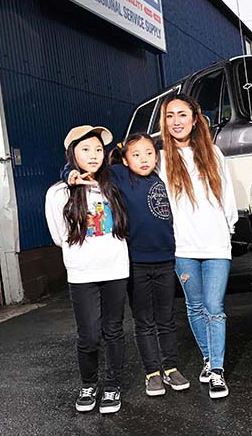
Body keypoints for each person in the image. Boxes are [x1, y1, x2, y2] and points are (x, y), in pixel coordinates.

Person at [66, 132, 191, 397]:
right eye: (136, 154)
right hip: (135, 263)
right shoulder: (119, 177)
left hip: (166, 259)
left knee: (167, 318)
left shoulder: (163, 177)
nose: (144, 159)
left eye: (149, 153)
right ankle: (152, 373)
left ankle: (171, 367)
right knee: (144, 320)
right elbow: (88, 164)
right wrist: (69, 172)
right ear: (124, 159)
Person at [158, 93, 238, 399]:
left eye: (182, 114)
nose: (176, 121)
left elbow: (227, 196)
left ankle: (216, 371)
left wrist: (227, 230)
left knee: (214, 307)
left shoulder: (213, 154)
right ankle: (207, 358)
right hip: (183, 247)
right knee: (194, 306)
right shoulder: (161, 159)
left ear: (195, 119)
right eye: (169, 116)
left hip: (216, 244)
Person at [44, 125, 128, 414]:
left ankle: (113, 385)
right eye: (85, 149)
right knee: (89, 334)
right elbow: (58, 236)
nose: (93, 155)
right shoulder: (58, 193)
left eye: (98, 149)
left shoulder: (114, 184)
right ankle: (89, 384)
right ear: (72, 155)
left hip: (116, 269)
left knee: (113, 330)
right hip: (82, 273)